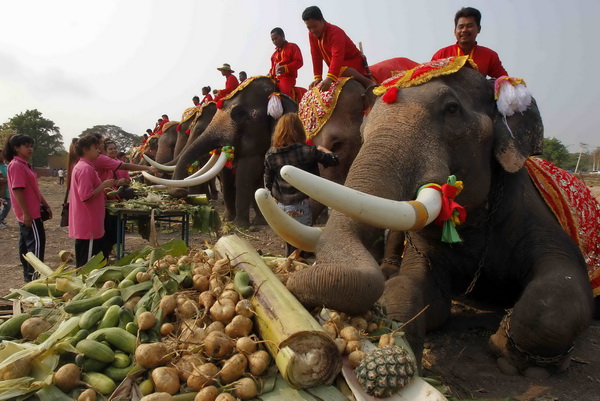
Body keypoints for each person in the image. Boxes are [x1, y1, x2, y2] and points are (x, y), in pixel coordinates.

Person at [264, 113, 339, 256]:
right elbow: (334, 160)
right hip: (303, 203)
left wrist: (278, 196)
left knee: (290, 237)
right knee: (303, 245)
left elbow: (268, 181)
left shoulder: (271, 154)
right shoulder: (308, 151)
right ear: (299, 130)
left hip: (281, 204)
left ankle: (290, 262)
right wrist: (323, 150)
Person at [4, 134, 51, 282]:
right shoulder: (16, 165)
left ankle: (28, 277)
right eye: (26, 146)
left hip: (32, 211)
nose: (30, 149)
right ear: (16, 148)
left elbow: (33, 189)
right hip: (30, 213)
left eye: (31, 146)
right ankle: (34, 278)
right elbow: (17, 190)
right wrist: (26, 213)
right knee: (36, 246)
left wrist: (45, 204)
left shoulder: (23, 164)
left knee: (26, 245)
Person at [302, 6, 373, 91]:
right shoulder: (312, 35)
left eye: (314, 26)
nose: (312, 30)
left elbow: (337, 56)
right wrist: (318, 78)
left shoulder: (335, 32)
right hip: (337, 68)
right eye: (309, 28)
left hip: (353, 64)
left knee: (339, 70)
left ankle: (368, 83)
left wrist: (329, 78)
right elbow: (316, 56)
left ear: (322, 20)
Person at [69, 135, 115, 267]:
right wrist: (103, 185)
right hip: (88, 222)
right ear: (85, 149)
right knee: (87, 265)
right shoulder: (85, 169)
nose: (99, 151)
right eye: (95, 148)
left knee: (87, 259)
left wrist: (101, 190)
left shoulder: (83, 166)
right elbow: (86, 196)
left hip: (88, 221)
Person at [431, 7, 508, 78]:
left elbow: (504, 81)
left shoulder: (490, 56)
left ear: (478, 29)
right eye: (461, 27)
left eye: (469, 26)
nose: (464, 30)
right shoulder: (441, 55)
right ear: (455, 31)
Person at [269, 27, 304, 99]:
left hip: (287, 78)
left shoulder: (292, 47)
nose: (274, 41)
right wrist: (269, 75)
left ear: (282, 36)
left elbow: (299, 62)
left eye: (276, 38)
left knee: (283, 91)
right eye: (272, 40)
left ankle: (291, 109)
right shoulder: (273, 55)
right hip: (274, 79)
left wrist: (286, 68)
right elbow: (272, 69)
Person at [0, 150, 11, 228]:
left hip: (6, 190)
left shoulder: (7, 166)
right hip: (1, 190)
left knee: (8, 206)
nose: (3, 156)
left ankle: (1, 219)